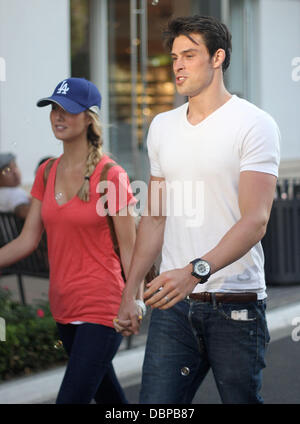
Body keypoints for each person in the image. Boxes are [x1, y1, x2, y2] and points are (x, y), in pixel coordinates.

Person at [115, 15, 280, 404]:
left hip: (236, 306)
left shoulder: (254, 124)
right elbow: (155, 217)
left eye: (189, 55)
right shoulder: (162, 127)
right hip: (173, 310)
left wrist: (193, 272)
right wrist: (130, 291)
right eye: (174, 57)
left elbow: (255, 220)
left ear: (217, 57)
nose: (178, 66)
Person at [0, 77, 142, 404]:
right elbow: (27, 240)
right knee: (108, 396)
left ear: (89, 118)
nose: (58, 116)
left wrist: (131, 299)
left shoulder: (111, 175)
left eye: (68, 110)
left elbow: (131, 249)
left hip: (102, 307)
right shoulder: (47, 172)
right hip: (63, 306)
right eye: (54, 108)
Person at [0, 153, 31, 219]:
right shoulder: (13, 193)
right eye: (7, 170)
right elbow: (25, 212)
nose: (15, 172)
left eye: (15, 166)